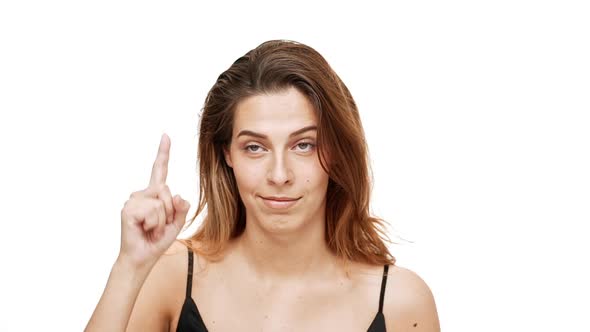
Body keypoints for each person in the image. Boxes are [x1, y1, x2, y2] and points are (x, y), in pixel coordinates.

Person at [85, 39, 440, 332]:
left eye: (304, 145)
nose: (279, 174)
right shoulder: (173, 276)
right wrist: (129, 266)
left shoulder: (399, 301)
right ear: (228, 155)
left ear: (335, 152)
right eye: (255, 147)